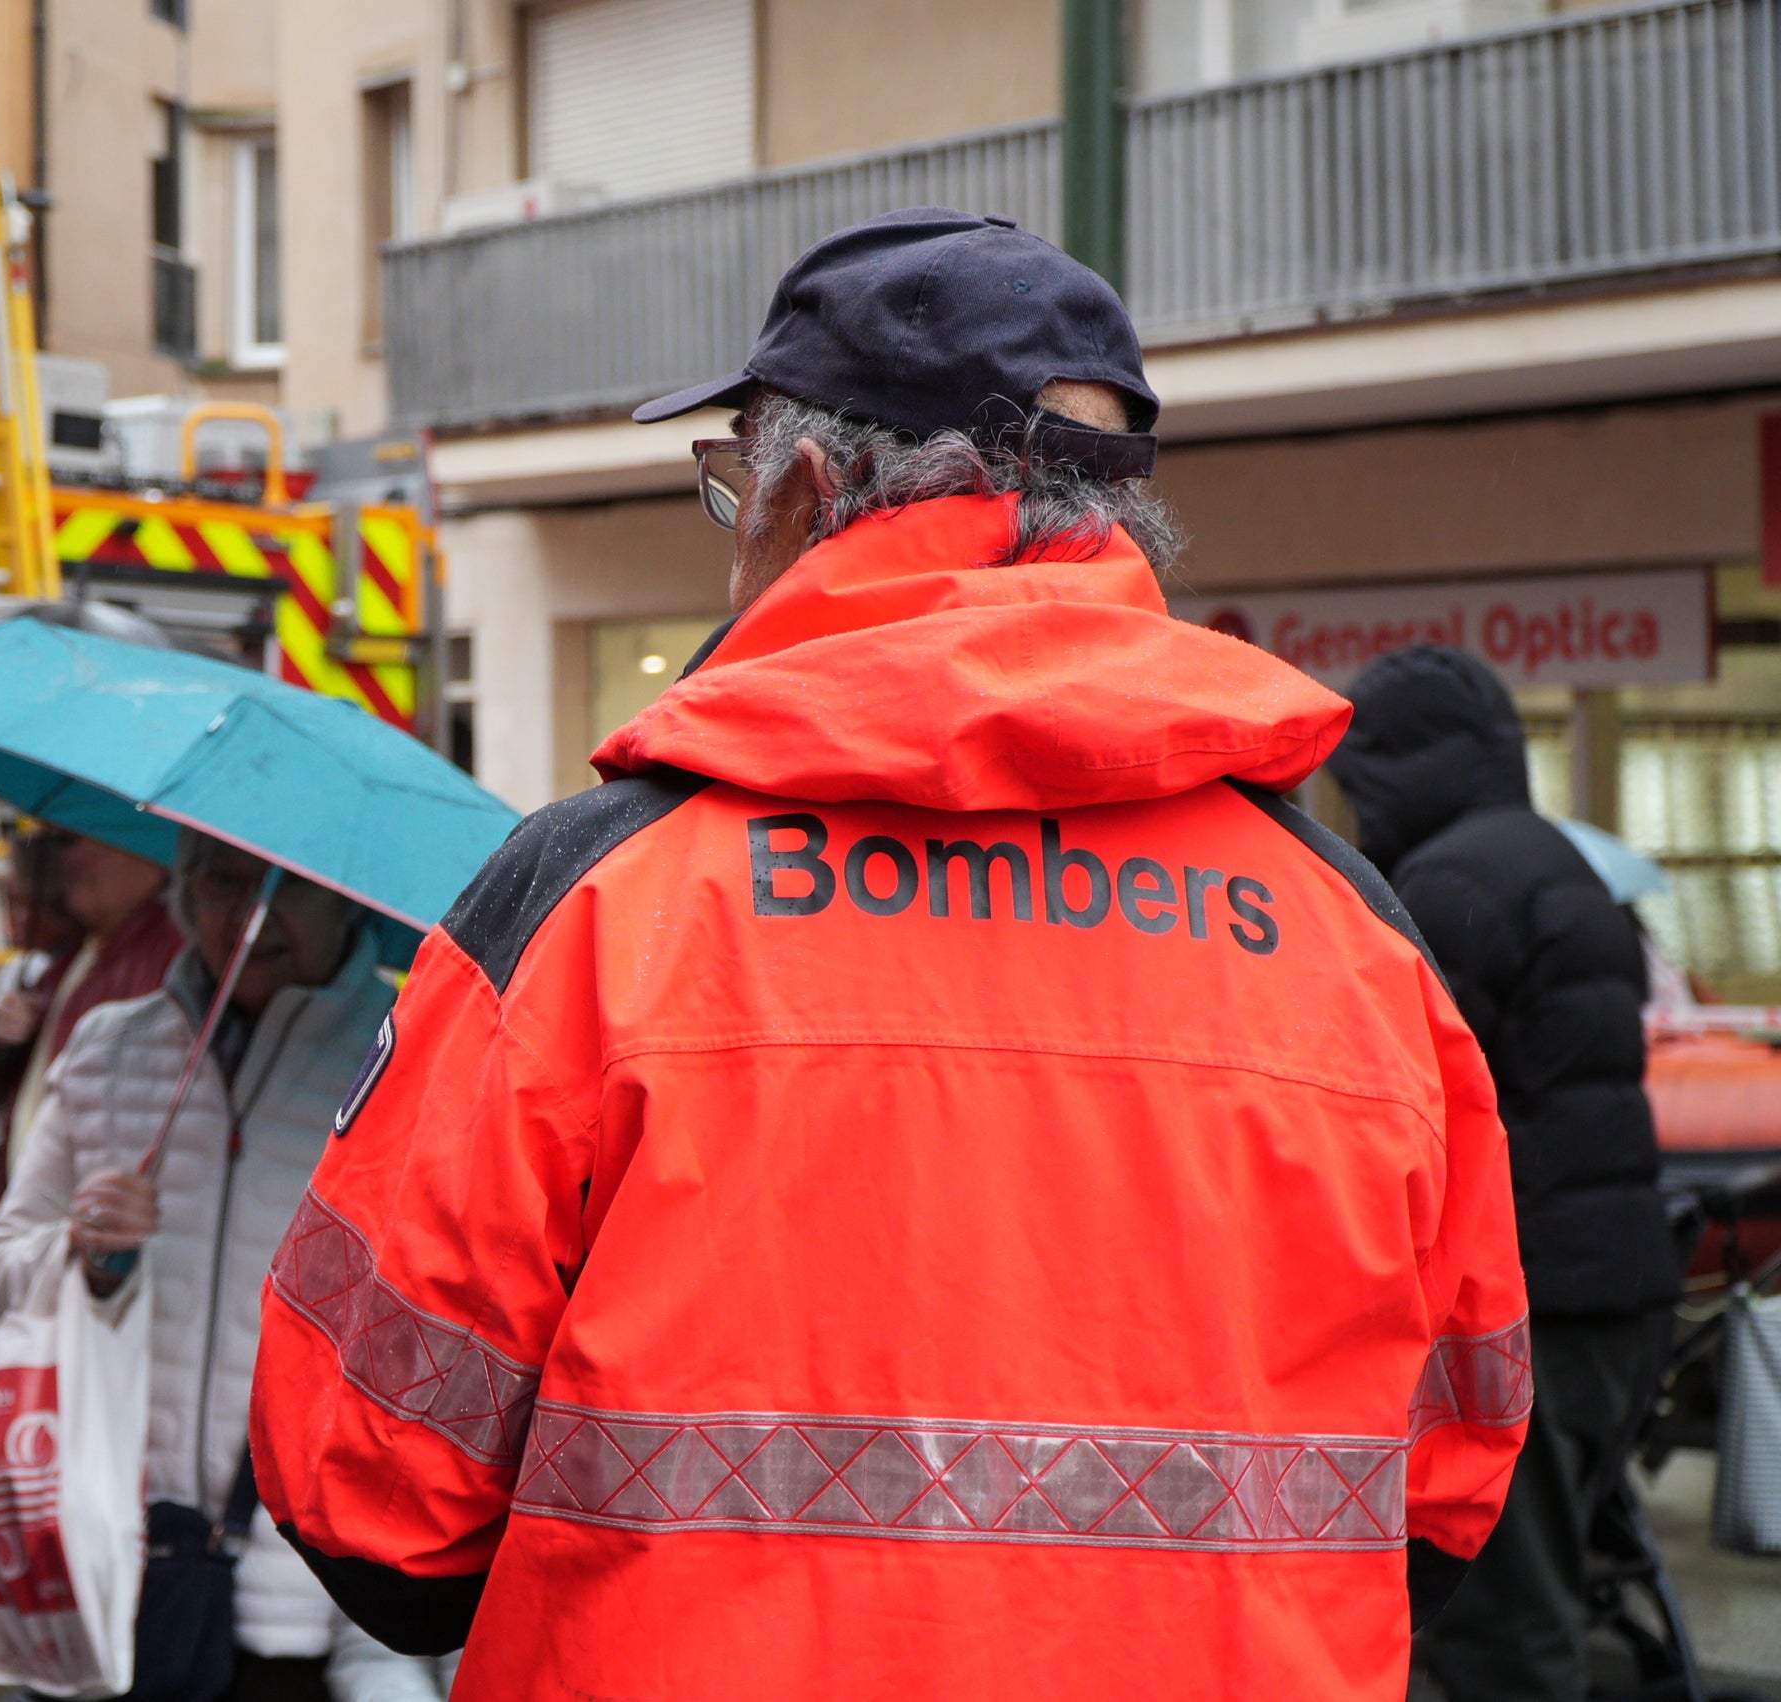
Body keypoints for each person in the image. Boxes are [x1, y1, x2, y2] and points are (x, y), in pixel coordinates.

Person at [247, 208, 1532, 1702]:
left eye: (728, 486)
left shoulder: (604, 902)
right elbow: (1447, 1483)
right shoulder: (1352, 935)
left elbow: (371, 1504)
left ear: (798, 490)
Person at [0, 831, 440, 1702]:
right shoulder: (108, 1049)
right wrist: (87, 1256)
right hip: (109, 1560)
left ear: (346, 899)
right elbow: (1, 1267)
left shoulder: (410, 1060)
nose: (253, 915)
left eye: (291, 887)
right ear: (182, 892)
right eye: (223, 881)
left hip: (302, 1592)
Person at [1326, 645, 1682, 1702]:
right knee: (1556, 1588)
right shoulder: (1555, 861)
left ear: (1397, 765)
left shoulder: (1446, 886)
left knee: (1503, 1635)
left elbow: (1397, 1105)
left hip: (1535, 1307)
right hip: (1620, 1297)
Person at [0, 825, 185, 1412]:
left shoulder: (155, 958)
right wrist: (1, 1044)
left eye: (82, 841)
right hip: (43, 1246)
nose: (68, 860)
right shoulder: (75, 956)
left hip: (84, 1259)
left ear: (147, 857)